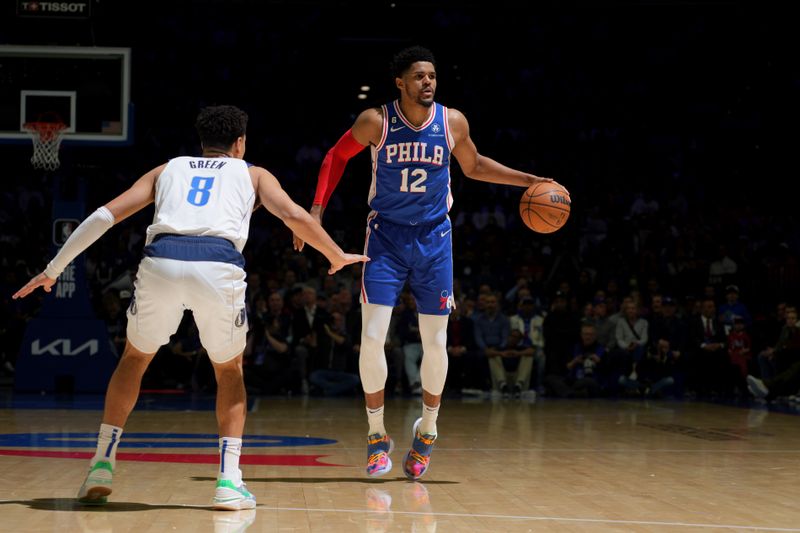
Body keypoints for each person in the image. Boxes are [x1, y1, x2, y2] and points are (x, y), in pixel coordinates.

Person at [12, 105, 368, 510]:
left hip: (161, 260)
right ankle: (228, 481)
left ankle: (101, 464)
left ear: (202, 141)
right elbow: (293, 215)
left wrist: (53, 268)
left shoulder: (168, 168)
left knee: (133, 359)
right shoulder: (253, 173)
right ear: (240, 143)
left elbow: (104, 216)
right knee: (229, 370)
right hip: (217, 265)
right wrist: (334, 254)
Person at [292, 45, 558, 479]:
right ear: (400, 82)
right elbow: (335, 157)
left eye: (432, 75)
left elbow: (473, 166)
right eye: (419, 76)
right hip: (386, 238)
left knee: (436, 342)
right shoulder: (376, 121)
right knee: (373, 337)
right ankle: (377, 436)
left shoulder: (452, 121)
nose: (428, 82)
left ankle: (428, 430)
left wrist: (528, 180)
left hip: (435, 239)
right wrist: (317, 210)